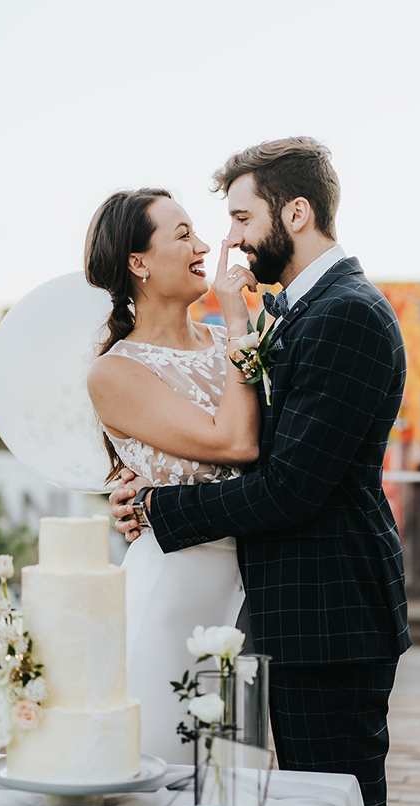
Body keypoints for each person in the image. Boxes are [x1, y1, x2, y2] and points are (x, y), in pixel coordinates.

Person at [110, 138, 411, 806]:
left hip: (328, 613)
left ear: (296, 212)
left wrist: (158, 506)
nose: (231, 239)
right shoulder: (301, 314)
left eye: (243, 217)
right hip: (284, 609)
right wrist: (138, 479)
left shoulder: (345, 316)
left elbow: (288, 488)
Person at [85, 187, 262, 765]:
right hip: (173, 591)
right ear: (138, 263)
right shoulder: (116, 373)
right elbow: (234, 442)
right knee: (159, 769)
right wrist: (239, 322)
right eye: (183, 234)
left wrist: (237, 334)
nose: (205, 245)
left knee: (240, 779)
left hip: (257, 589)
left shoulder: (229, 345)